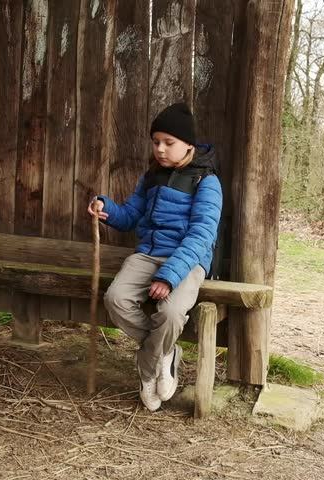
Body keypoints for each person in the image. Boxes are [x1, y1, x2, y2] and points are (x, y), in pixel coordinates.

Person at [87, 103, 222, 411]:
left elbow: (202, 235)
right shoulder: (152, 177)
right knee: (115, 299)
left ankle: (147, 373)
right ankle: (165, 353)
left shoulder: (207, 182)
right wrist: (104, 206)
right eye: (156, 141)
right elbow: (130, 216)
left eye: (168, 143)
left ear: (188, 144)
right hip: (147, 254)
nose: (160, 149)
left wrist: (168, 276)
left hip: (187, 261)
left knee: (172, 312)